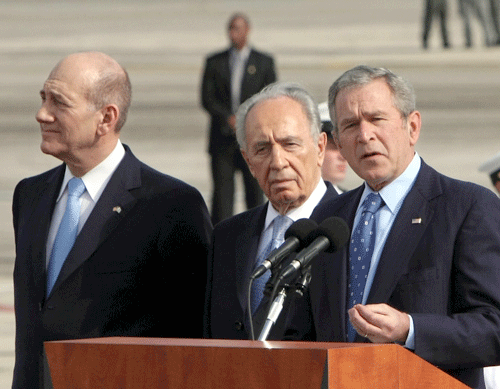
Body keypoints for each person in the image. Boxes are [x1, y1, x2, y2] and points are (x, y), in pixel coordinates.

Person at [285, 65, 500, 389]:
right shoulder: (328, 219)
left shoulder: (465, 207)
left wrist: (410, 329)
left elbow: (494, 329)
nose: (365, 134)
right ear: (339, 143)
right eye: (350, 125)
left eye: (377, 119)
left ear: (411, 126)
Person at [12, 51, 212, 388]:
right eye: (43, 98)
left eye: (59, 103)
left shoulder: (170, 205)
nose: (41, 114)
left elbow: (191, 336)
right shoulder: (29, 196)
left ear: (106, 118)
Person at [204, 82, 339, 340]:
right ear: (248, 162)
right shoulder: (227, 237)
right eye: (262, 149)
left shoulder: (348, 230)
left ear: (320, 147)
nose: (278, 162)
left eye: (290, 144)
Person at [201, 13, 277, 225]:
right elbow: (207, 98)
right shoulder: (215, 62)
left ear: (248, 30)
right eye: (231, 28)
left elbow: (269, 95)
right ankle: (220, 237)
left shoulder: (263, 62)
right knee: (222, 196)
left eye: (238, 28)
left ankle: (257, 233)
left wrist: (245, 117)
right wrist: (228, 118)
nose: (233, 33)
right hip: (222, 139)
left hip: (253, 138)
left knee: (255, 193)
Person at [318, 102, 348, 193]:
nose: (343, 156)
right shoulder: (297, 200)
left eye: (345, 146)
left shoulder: (352, 201)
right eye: (334, 147)